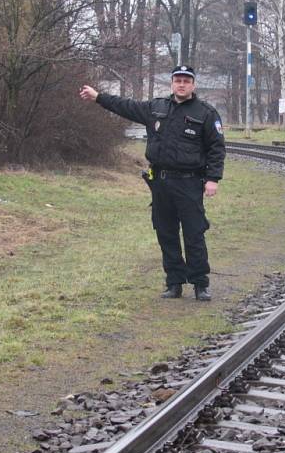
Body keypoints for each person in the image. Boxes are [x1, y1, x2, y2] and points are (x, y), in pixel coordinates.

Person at [79, 65, 226, 301]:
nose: (181, 84)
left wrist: (213, 179)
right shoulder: (156, 108)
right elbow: (124, 106)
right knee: (166, 233)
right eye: (178, 80)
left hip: (189, 182)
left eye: (186, 81)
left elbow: (217, 149)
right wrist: (98, 97)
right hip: (161, 182)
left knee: (194, 234)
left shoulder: (206, 113)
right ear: (172, 84)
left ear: (193, 85)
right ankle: (174, 283)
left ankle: (200, 284)